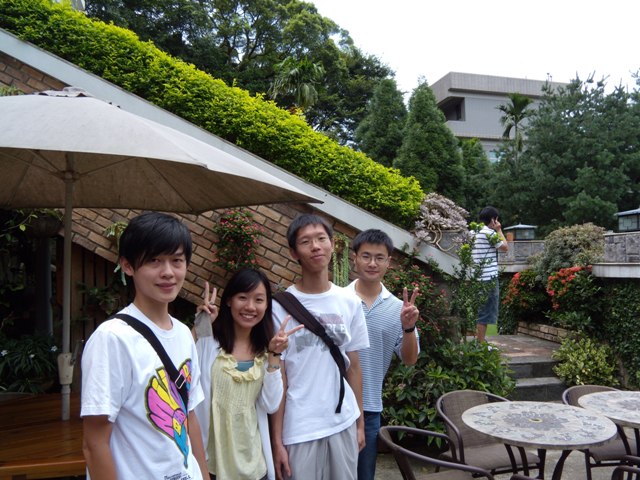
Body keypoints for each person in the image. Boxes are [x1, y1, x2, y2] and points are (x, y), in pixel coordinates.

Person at [81, 211, 208, 479]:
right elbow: (94, 444)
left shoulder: (184, 334)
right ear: (128, 266)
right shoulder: (113, 339)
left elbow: (190, 417)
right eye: (154, 260)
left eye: (177, 261)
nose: (168, 272)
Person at [270, 213, 369, 480]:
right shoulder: (279, 307)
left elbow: (354, 367)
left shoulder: (350, 302)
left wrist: (360, 423)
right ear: (294, 252)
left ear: (332, 244)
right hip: (300, 427)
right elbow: (280, 377)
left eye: (321, 238)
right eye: (305, 241)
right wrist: (277, 441)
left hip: (343, 420)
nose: (315, 246)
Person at [192, 269, 303, 480]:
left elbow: (271, 404)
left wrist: (274, 356)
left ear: (267, 305)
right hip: (211, 464)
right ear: (229, 300)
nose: (250, 307)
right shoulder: (209, 341)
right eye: (242, 297)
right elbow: (182, 367)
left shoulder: (267, 350)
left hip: (253, 465)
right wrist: (200, 325)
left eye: (259, 300)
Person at [345, 229, 420, 480]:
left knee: (364, 475)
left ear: (389, 262)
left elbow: (410, 359)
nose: (372, 263)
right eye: (366, 256)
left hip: (370, 409)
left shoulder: (399, 308)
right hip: (333, 405)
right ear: (355, 258)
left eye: (379, 258)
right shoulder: (338, 300)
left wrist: (408, 327)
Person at [472, 206, 508, 343]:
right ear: (493, 219)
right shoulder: (490, 233)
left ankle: (480, 342)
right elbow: (505, 247)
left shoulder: (473, 232)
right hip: (489, 278)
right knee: (485, 312)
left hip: (477, 277)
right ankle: (481, 344)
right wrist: (499, 230)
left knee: (480, 311)